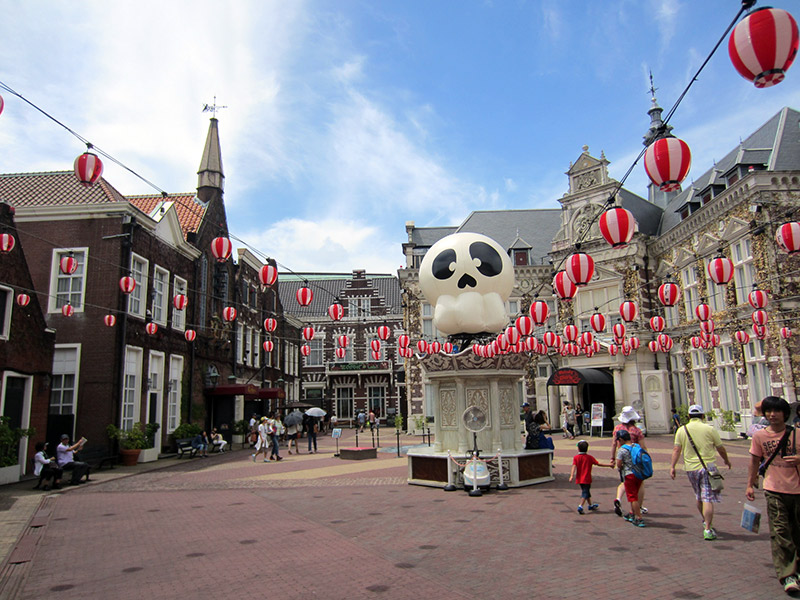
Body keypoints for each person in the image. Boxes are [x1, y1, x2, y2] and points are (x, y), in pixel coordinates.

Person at [746, 396, 800, 594]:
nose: (772, 415)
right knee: (780, 532)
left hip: (797, 489)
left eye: (776, 411)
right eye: (768, 411)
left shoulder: (797, 434)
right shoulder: (760, 437)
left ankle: (797, 568)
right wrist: (750, 484)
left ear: (785, 414)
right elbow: (754, 461)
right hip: (773, 489)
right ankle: (788, 575)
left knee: (796, 532)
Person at [669, 404, 732, 541]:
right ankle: (708, 528)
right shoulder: (709, 429)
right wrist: (726, 460)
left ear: (689, 416)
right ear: (703, 416)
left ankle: (705, 520)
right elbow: (720, 448)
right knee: (707, 497)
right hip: (709, 467)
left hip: (691, 468)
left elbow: (676, 450)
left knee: (699, 495)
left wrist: (672, 466)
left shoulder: (682, 430)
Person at [610, 406, 648, 517]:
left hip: (622, 458)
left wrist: (612, 459)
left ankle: (618, 498)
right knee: (639, 484)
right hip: (636, 460)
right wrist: (646, 460)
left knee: (625, 481)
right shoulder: (636, 430)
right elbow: (643, 447)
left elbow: (613, 444)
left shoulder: (617, 429)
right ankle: (637, 509)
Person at [569, 440, 612, 513]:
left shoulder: (576, 457)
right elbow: (599, 464)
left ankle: (590, 505)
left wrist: (571, 475)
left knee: (586, 491)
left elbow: (574, 466)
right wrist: (609, 465)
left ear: (578, 449)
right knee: (585, 492)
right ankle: (580, 506)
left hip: (579, 478)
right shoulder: (589, 457)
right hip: (587, 478)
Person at [615, 430, 645, 527]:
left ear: (621, 439)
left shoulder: (622, 450)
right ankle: (631, 514)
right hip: (639, 473)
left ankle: (639, 518)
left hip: (629, 474)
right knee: (635, 493)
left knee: (632, 497)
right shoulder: (636, 446)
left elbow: (619, 464)